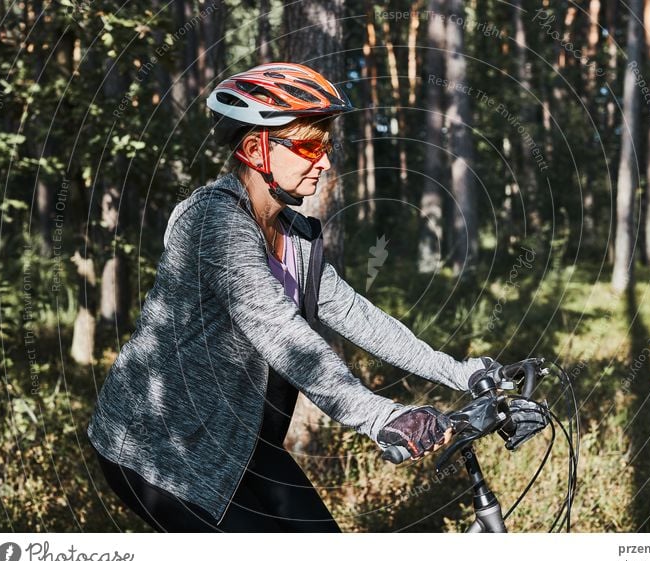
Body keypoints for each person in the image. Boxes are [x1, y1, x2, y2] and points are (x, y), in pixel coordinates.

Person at [87, 62, 492, 533]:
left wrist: (460, 373)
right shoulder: (212, 224)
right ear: (256, 148)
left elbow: (358, 316)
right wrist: (380, 415)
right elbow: (280, 332)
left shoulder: (295, 236)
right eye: (308, 146)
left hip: (240, 440)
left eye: (327, 146)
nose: (324, 161)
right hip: (159, 448)